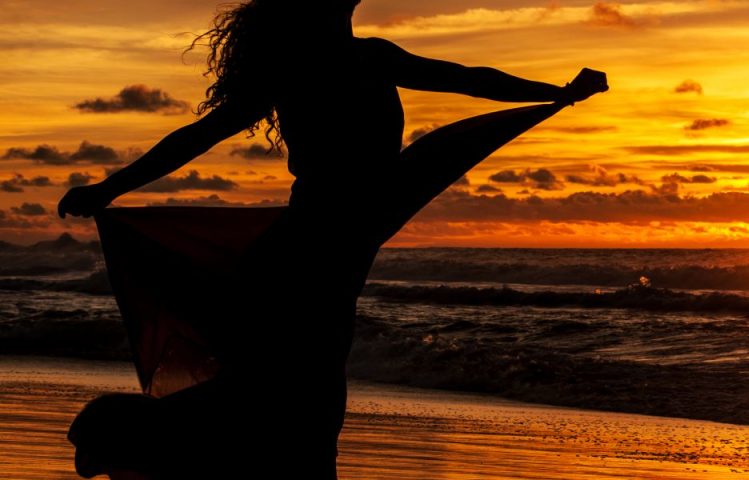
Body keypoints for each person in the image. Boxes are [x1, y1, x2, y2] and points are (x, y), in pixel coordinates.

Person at [57, 1, 607, 478]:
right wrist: (111, 187)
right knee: (295, 367)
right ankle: (148, 440)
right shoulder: (294, 69)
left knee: (301, 366)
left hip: (335, 230)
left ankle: (175, 444)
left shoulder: (373, 55)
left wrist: (557, 92)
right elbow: (197, 137)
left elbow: (467, 78)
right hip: (316, 233)